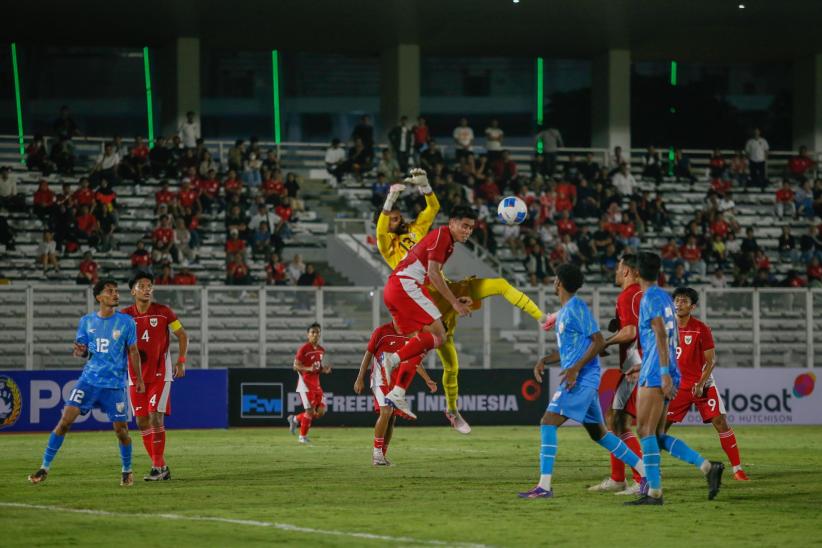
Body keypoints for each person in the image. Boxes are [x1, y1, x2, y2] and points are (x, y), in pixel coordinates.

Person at [376, 172, 547, 429]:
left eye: (398, 217)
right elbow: (383, 228)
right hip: (421, 293)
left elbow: (433, 207)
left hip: (442, 290)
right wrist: (390, 198)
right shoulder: (387, 243)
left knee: (497, 287)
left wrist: (426, 185)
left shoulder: (420, 231)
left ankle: (543, 318)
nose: (395, 221)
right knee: (432, 352)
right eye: (392, 219)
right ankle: (403, 390)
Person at [518, 264, 646, 499]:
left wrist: (576, 369)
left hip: (583, 378)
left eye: (556, 279)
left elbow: (597, 341)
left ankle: (544, 487)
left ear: (559, 283)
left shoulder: (577, 308)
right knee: (601, 435)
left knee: (548, 422)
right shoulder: (566, 311)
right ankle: (645, 474)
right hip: (581, 377)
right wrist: (545, 359)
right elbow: (572, 350)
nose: (554, 282)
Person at [625, 252, 724, 505]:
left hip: (658, 370)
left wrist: (664, 372)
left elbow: (659, 333)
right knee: (656, 434)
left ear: (636, 273)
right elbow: (674, 337)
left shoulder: (648, 298)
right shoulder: (666, 299)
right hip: (664, 367)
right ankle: (706, 467)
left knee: (644, 430)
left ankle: (654, 493)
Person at [28, 279, 143, 486]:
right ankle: (44, 467)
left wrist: (139, 379)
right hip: (88, 382)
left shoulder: (127, 322)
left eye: (116, 291)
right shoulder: (87, 321)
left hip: (114, 385)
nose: (115, 294)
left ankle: (127, 470)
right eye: (110, 291)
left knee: (121, 431)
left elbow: (133, 352)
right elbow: (83, 351)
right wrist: (81, 352)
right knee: (64, 422)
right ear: (99, 297)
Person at [666, 287, 749, 481]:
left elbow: (711, 361)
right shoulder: (667, 328)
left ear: (692, 306)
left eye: (684, 301)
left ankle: (737, 469)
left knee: (720, 422)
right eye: (676, 300)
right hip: (678, 386)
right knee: (660, 430)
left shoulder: (701, 329)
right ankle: (649, 471)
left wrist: (701, 383)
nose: (679, 304)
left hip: (702, 384)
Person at [122, 273, 188, 481]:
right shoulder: (124, 317)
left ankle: (157, 468)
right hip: (136, 377)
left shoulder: (164, 312)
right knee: (142, 421)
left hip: (161, 373)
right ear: (133, 291)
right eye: (141, 286)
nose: (147, 289)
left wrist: (181, 361)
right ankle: (161, 467)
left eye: (149, 285)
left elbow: (182, 335)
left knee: (154, 416)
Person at [588, 254, 644, 495]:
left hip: (635, 364)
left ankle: (642, 479)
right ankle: (618, 478)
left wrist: (605, 343)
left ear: (629, 272)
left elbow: (631, 332)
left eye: (619, 267)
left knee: (617, 420)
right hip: (639, 362)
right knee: (615, 419)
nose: (616, 271)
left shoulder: (628, 295)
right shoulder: (641, 296)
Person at [353, 320, 438, 465]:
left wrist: (427, 379)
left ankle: (382, 456)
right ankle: (377, 454)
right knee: (386, 411)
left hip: (394, 383)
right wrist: (359, 378)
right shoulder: (381, 332)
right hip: (379, 379)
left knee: (391, 418)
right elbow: (368, 354)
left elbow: (413, 359)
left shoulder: (410, 334)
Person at [286, 323, 331, 444]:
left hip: (316, 385)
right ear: (308, 335)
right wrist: (308, 369)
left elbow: (317, 367)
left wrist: (323, 369)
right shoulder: (304, 349)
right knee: (310, 411)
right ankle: (302, 437)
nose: (315, 334)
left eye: (317, 332)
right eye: (313, 332)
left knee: (320, 411)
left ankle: (295, 419)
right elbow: (295, 366)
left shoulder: (321, 350)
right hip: (305, 385)